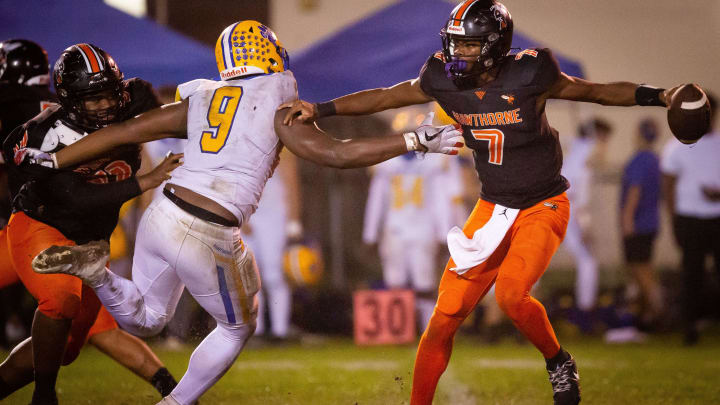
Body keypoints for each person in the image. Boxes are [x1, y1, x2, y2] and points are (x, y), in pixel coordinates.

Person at [27, 21, 463, 405]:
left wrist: (54, 160)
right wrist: (412, 141)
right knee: (237, 328)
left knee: (145, 320)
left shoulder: (204, 95)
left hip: (162, 212)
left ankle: (98, 273)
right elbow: (333, 152)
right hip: (207, 227)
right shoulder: (277, 94)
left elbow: (125, 130)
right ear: (270, 53)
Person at [280, 1, 687, 403]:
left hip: (543, 204)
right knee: (444, 316)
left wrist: (660, 96)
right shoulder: (442, 77)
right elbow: (387, 97)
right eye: (454, 43)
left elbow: (595, 93)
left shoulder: (531, 72)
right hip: (492, 207)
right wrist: (321, 108)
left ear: (495, 45)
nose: (457, 53)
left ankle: (558, 361)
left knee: (511, 295)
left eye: (469, 45)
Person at [0, 43, 182, 405]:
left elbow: (179, 120)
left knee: (66, 347)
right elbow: (75, 198)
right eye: (91, 99)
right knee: (59, 299)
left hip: (92, 241)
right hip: (41, 224)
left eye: (108, 95)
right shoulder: (41, 136)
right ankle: (45, 395)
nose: (104, 106)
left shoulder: (136, 98)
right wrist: (145, 181)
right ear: (69, 100)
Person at [362, 150, 461, 332]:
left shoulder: (432, 163)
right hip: (396, 229)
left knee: (425, 283)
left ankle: (430, 331)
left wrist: (443, 233)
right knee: (395, 282)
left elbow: (439, 200)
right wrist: (370, 233)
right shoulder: (387, 164)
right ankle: (397, 332)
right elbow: (377, 199)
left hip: (421, 229)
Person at [661, 92, 719, 346]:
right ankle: (690, 327)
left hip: (717, 217)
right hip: (689, 218)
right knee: (691, 274)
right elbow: (668, 186)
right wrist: (673, 219)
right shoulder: (676, 146)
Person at [242, 150, 302, 342]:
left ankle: (280, 330)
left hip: (274, 213)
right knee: (250, 273)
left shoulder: (281, 147)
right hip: (250, 211)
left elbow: (291, 182)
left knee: (274, 273)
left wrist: (293, 221)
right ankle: (256, 330)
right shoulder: (243, 141)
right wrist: (241, 215)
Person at [560, 118, 612, 332]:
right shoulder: (586, 155)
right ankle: (583, 314)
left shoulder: (573, 149)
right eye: (604, 139)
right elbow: (579, 197)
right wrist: (585, 226)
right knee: (588, 262)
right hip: (566, 212)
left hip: (555, 208)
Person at [619, 118, 663, 332]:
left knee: (640, 271)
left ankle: (659, 313)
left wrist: (627, 220)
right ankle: (646, 316)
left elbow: (634, 191)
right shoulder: (655, 159)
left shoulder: (639, 160)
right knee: (645, 269)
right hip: (651, 222)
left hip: (637, 224)